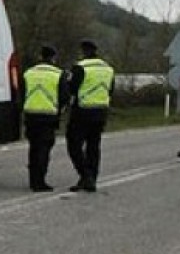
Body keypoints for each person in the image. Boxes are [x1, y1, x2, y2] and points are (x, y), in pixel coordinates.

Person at [65, 39, 114, 193]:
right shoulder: (108, 68)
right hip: (101, 111)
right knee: (94, 146)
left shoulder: (80, 67)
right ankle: (91, 177)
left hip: (82, 111)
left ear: (83, 51)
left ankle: (86, 176)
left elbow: (71, 89)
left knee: (74, 145)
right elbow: (110, 90)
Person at [21, 45, 67, 192]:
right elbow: (64, 97)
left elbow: (21, 94)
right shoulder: (58, 74)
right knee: (44, 149)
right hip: (48, 117)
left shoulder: (28, 73)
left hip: (30, 116)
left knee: (33, 148)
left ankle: (32, 179)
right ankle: (40, 182)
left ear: (40, 57)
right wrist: (59, 110)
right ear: (53, 58)